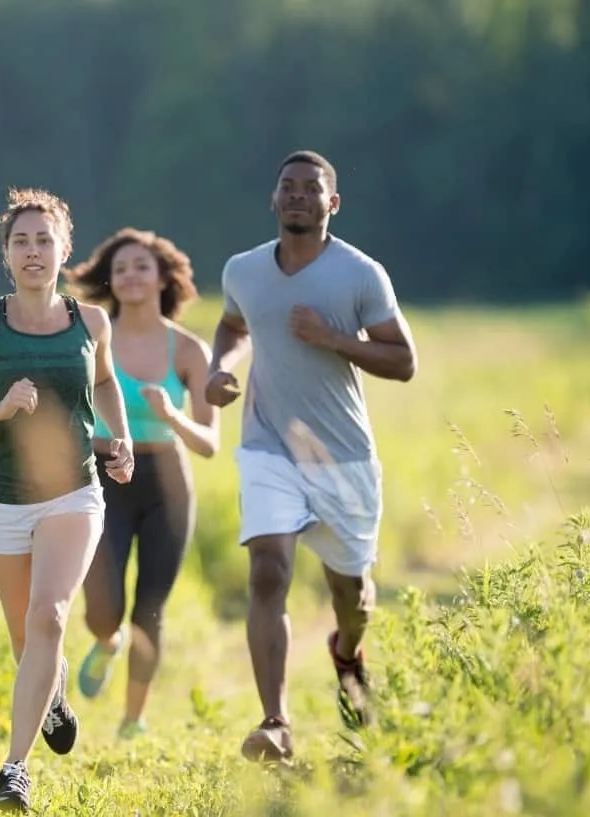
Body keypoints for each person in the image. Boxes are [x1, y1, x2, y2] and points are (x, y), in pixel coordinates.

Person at [203, 150, 418, 763]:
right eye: (288, 187)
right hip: (268, 444)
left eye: (311, 189)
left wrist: (333, 340)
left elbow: (404, 362)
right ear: (274, 201)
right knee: (268, 571)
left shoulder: (360, 275)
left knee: (351, 596)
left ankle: (348, 653)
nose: (298, 195)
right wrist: (221, 368)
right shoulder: (243, 270)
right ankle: (276, 723)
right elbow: (233, 325)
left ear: (333, 203)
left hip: (344, 457)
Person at [0, 187, 136, 812]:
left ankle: (13, 769)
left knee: (49, 617)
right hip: (1, 503)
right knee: (28, 642)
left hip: (72, 493)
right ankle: (54, 692)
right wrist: (0, 407)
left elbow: (103, 382)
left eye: (44, 239)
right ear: (6, 255)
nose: (33, 250)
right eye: (21, 240)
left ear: (64, 250)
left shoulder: (90, 322)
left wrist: (118, 439)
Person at [63, 227, 220, 739]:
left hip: (167, 484)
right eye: (123, 267)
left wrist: (172, 415)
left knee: (150, 608)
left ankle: (133, 720)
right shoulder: (91, 336)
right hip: (103, 477)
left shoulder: (190, 351)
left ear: (162, 279)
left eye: (142, 267)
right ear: (111, 278)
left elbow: (209, 443)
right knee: (104, 608)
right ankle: (107, 643)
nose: (131, 275)